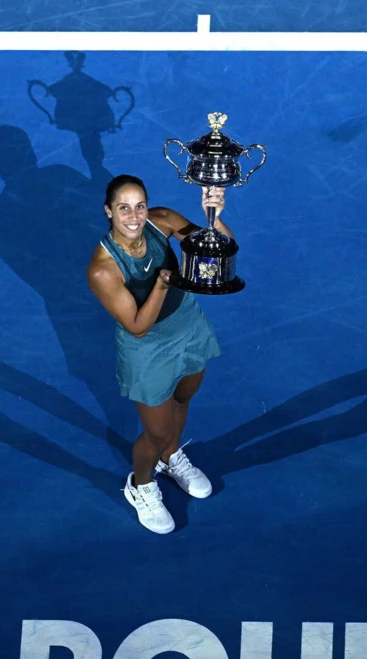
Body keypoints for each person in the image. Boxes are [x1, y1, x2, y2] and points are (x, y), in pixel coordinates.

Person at [87, 174, 227, 533]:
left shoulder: (161, 220)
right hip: (147, 349)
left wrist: (214, 215)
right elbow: (136, 326)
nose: (134, 217)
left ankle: (171, 457)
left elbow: (218, 250)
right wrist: (164, 283)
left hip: (188, 325)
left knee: (183, 398)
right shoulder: (103, 269)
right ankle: (142, 485)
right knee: (155, 433)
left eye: (139, 206)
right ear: (109, 212)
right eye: (123, 208)